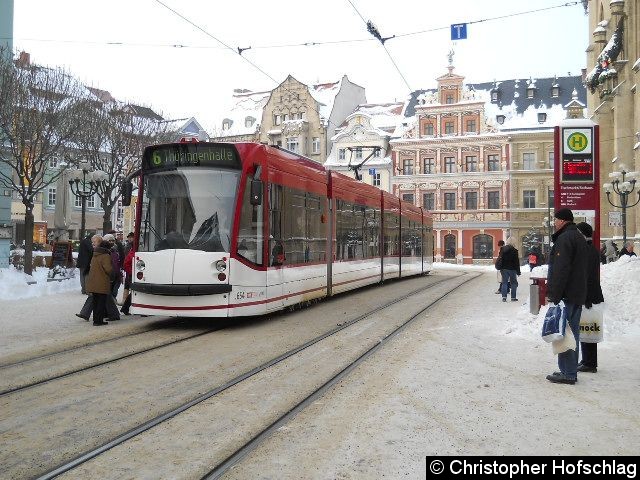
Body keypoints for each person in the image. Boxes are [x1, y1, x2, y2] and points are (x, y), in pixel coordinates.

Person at [545, 208, 588, 385]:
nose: (554, 223)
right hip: (576, 293)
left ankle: (569, 373)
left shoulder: (565, 239)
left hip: (567, 294)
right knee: (570, 332)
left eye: (555, 220)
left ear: (562, 221)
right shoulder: (577, 236)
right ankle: (567, 370)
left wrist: (555, 294)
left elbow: (561, 270)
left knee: (566, 333)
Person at [575, 222, 605, 373]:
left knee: (588, 328)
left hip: (590, 295)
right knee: (587, 328)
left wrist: (585, 297)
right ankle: (587, 360)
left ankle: (590, 363)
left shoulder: (586, 250)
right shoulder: (590, 249)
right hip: (591, 293)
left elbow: (586, 276)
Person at [85, 240, 113, 326]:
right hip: (102, 282)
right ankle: (99, 321)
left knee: (95, 302)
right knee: (101, 302)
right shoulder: (105, 256)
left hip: (93, 282)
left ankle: (95, 320)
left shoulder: (94, 255)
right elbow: (108, 269)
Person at [499, 237, 520, 302]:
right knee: (513, 283)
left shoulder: (502, 249)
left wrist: (500, 267)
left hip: (504, 269)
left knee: (504, 282)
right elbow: (517, 262)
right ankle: (513, 297)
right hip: (512, 269)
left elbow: (500, 258)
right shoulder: (515, 251)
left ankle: (504, 297)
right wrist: (518, 271)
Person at [103, 234, 122, 300]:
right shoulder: (104, 251)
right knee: (109, 289)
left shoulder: (116, 250)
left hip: (116, 273)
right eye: (109, 241)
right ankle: (110, 300)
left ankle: (113, 298)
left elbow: (118, 261)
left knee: (115, 288)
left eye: (112, 241)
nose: (111, 242)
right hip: (109, 274)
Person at [120, 246, 135, 315]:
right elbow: (126, 265)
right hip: (132, 275)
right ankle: (125, 308)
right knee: (135, 292)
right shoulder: (131, 254)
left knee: (134, 292)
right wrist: (132, 272)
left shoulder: (133, 253)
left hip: (134, 275)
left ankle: (125, 308)